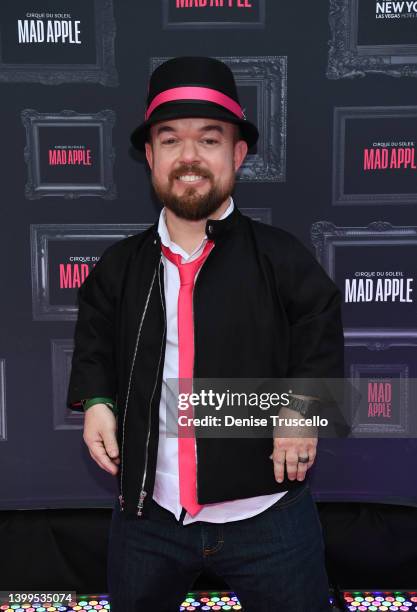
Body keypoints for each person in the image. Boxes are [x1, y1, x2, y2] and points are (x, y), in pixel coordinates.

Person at [67, 56, 344, 612]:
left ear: (237, 154)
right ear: (149, 156)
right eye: (170, 140)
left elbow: (319, 330)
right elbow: (95, 338)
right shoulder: (118, 266)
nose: (189, 157)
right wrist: (97, 401)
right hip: (147, 519)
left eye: (209, 140)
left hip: (269, 521)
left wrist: (304, 408)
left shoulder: (282, 256)